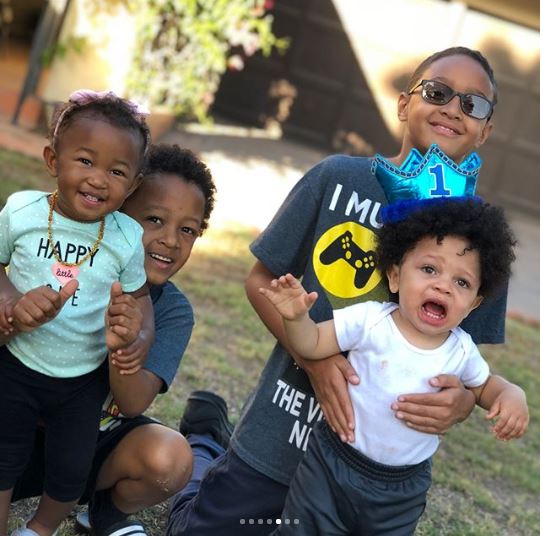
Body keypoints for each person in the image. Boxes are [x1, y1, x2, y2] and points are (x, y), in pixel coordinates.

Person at [167, 46, 509, 535]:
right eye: (437, 92)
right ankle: (204, 444)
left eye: (473, 104)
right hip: (281, 434)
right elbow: (260, 281)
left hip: (366, 483)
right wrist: (316, 361)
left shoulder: (482, 237)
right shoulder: (337, 179)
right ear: (404, 104)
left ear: (486, 130)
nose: (454, 109)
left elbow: (467, 362)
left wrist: (461, 404)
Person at [259, 197, 528, 535]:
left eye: (462, 282)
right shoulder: (370, 321)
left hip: (402, 487)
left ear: (473, 305)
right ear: (396, 276)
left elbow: (485, 386)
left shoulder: (461, 351)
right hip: (332, 464)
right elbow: (311, 344)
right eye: (429, 269)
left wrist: (511, 394)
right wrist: (297, 318)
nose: (443, 286)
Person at [11, 143, 217, 536]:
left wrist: (124, 343)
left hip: (87, 448)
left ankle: (103, 512)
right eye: (153, 219)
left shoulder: (173, 311)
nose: (171, 241)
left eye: (187, 230)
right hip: (17, 428)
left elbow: (133, 403)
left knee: (170, 458)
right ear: (117, 212)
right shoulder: (64, 264)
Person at [0, 90, 153, 536]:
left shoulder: (127, 236)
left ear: (133, 185)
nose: (99, 180)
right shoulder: (21, 211)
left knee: (71, 469)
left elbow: (141, 299)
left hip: (82, 380)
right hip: (16, 362)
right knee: (3, 456)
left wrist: (138, 335)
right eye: (85, 161)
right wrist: (12, 301)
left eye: (117, 171)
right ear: (53, 160)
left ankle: (39, 528)